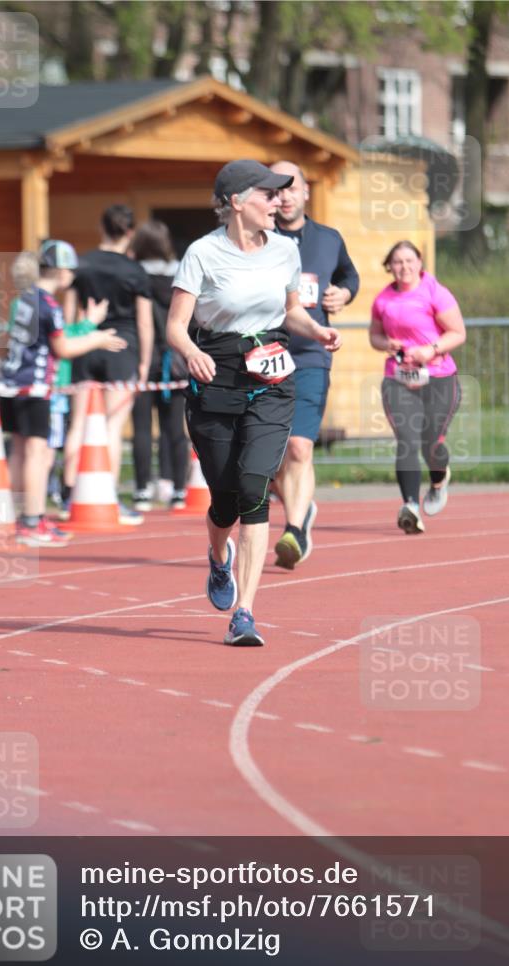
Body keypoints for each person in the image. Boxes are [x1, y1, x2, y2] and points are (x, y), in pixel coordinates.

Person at [166, 159, 342, 647]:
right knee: (224, 497)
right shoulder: (202, 254)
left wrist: (317, 329)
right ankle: (218, 558)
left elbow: (292, 312)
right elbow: (175, 326)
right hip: (215, 373)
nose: (278, 202)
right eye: (268, 194)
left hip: (271, 374)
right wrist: (192, 352)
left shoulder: (285, 250)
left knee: (253, 486)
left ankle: (244, 612)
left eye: (282, 194)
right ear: (237, 202)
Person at [0, 239, 123, 546]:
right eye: (69, 269)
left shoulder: (23, 300)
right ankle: (32, 519)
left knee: (19, 451)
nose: (72, 276)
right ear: (57, 271)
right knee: (38, 454)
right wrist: (95, 339)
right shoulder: (48, 305)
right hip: (37, 385)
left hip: (14, 384)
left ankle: (21, 517)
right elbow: (63, 348)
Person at [270, 160, 359, 569]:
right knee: (268, 457)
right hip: (260, 356)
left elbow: (349, 277)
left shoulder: (328, 239)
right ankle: (298, 504)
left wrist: (342, 293)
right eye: (277, 189)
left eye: (292, 188)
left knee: (300, 446)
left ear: (306, 192)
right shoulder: (256, 240)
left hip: (309, 354)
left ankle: (295, 531)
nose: (285, 195)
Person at [62, 205, 154, 525]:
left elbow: (70, 314)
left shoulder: (80, 265)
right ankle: (109, 497)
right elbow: (144, 322)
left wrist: (73, 343)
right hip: (122, 347)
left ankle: (67, 494)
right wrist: (144, 362)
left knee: (78, 424)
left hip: (86, 343)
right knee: (113, 427)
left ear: (101, 227)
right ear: (130, 233)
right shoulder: (134, 271)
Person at [369, 240, 465, 534]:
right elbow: (374, 336)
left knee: (431, 442)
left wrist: (430, 350)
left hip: (438, 378)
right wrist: (387, 344)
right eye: (397, 262)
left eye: (410, 261)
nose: (404, 267)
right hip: (399, 379)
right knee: (407, 441)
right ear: (389, 266)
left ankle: (438, 481)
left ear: (420, 263)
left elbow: (457, 333)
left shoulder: (435, 291)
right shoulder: (383, 299)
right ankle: (410, 506)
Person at [130, 220, 189, 511]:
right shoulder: (181, 272)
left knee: (142, 427)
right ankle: (178, 489)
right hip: (175, 357)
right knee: (174, 427)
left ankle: (142, 490)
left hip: (144, 356)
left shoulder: (134, 276)